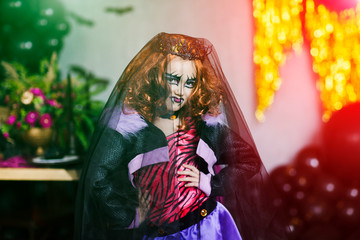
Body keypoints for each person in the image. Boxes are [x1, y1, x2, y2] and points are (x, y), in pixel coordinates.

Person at [74, 33, 287, 240]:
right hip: (156, 233)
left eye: (190, 83)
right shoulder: (130, 132)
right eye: (173, 79)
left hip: (205, 229)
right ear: (155, 76)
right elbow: (97, 177)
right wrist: (129, 216)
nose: (180, 91)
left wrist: (210, 183)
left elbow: (248, 161)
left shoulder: (206, 128)